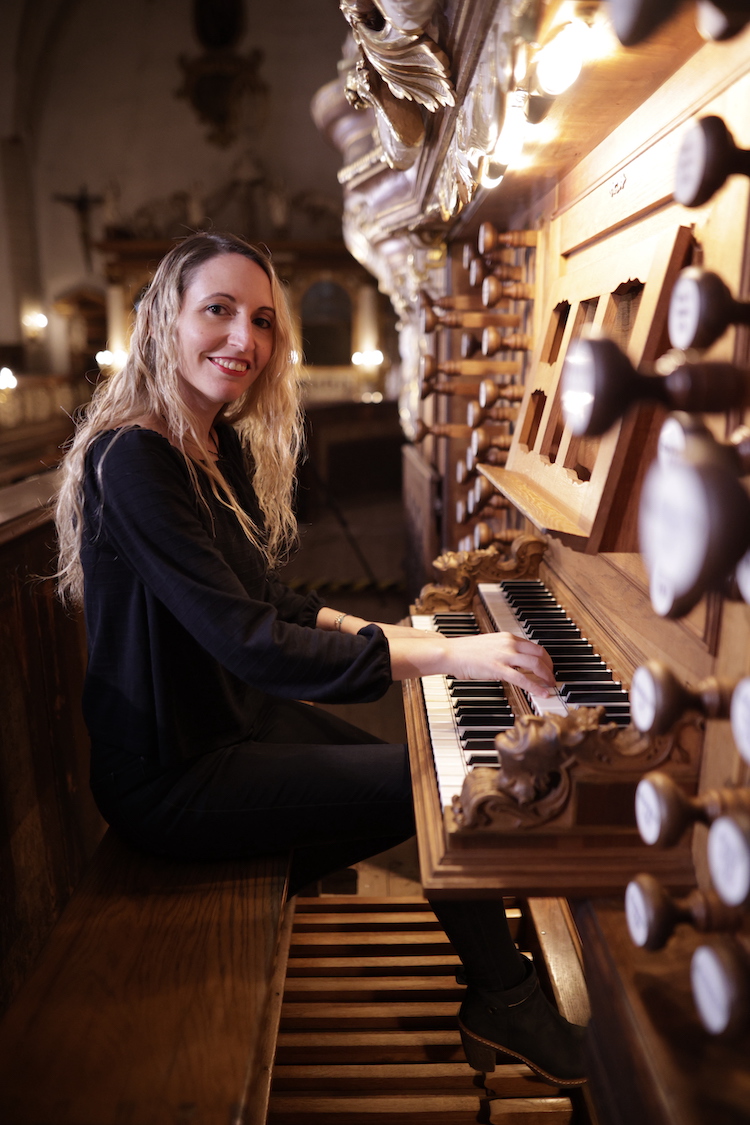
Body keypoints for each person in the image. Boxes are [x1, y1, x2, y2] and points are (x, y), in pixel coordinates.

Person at [54, 231, 586, 1086]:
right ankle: (509, 999)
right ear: (162, 319)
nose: (245, 338)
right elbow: (252, 643)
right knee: (442, 790)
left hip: (234, 723)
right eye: (218, 310)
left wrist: (411, 637)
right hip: (171, 770)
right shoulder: (134, 458)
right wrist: (450, 657)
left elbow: (274, 601)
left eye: (263, 319)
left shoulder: (211, 442)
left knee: (431, 775)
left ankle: (503, 990)